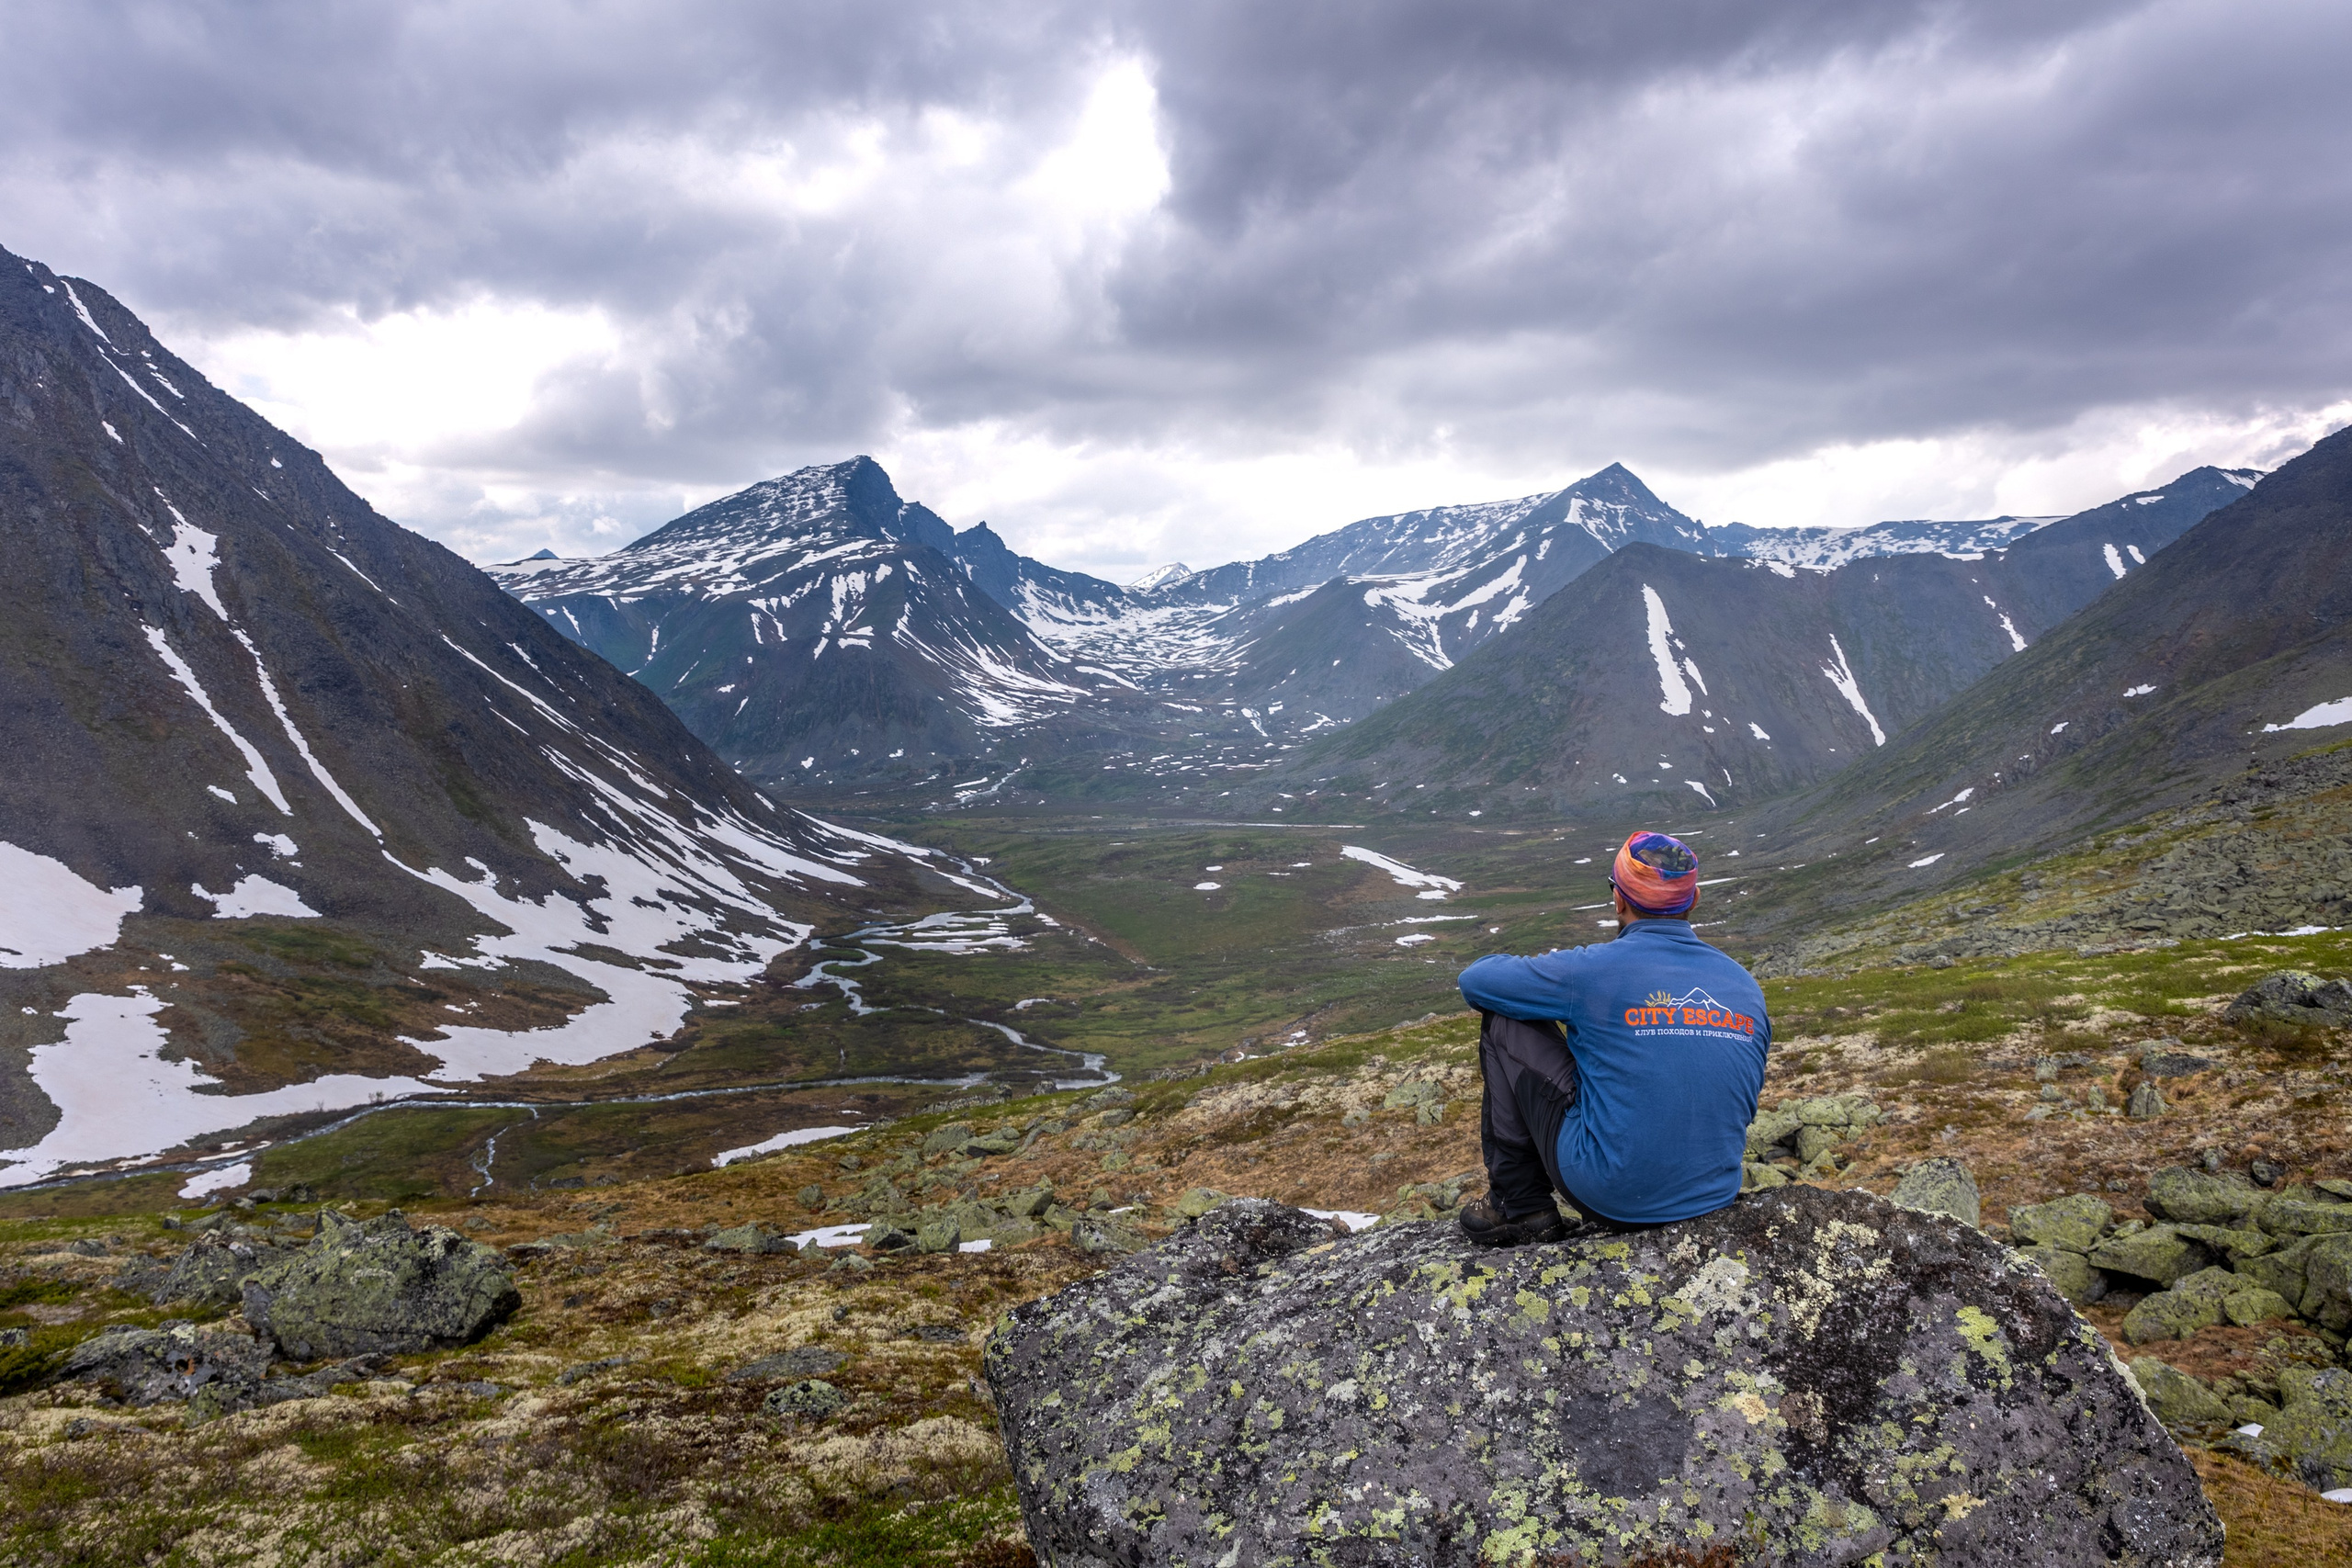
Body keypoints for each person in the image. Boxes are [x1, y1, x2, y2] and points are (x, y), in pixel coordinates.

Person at [1453, 829, 1770, 1246]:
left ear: (1618, 898)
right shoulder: (1746, 987)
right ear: (1693, 901)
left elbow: (1476, 981)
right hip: (1712, 1195)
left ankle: (1520, 1206)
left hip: (1612, 1193)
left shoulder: (1592, 971)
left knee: (1504, 1018)